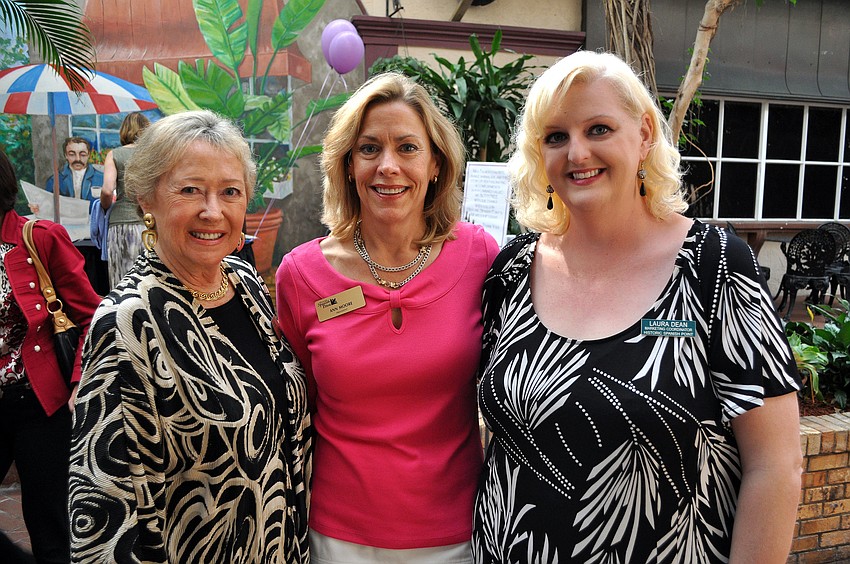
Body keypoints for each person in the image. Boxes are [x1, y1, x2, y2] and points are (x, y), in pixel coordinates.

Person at [472, 50, 803, 563]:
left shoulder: (714, 268)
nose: (577, 153)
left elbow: (776, 467)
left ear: (645, 133)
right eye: (556, 136)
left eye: (598, 129)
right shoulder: (511, 272)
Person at [68, 110, 311, 563]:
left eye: (230, 192)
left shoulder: (244, 282)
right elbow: (104, 515)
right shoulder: (126, 322)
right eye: (189, 190)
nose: (213, 211)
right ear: (146, 199)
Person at [276, 72, 499, 563]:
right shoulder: (300, 274)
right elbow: (297, 407)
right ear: (348, 164)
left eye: (408, 148)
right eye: (370, 149)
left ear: (436, 164)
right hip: (337, 536)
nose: (388, 167)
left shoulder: (480, 257)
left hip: (456, 534)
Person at [0, 148, 100, 563]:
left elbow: (93, 315)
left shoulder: (37, 238)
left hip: (37, 403)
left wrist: (79, 381)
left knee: (51, 530)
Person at [96, 112, 151, 288]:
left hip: (119, 224)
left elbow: (106, 190)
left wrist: (105, 207)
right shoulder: (153, 156)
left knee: (121, 280)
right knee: (148, 278)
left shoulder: (115, 155)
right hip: (149, 224)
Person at [44, 137, 103, 203]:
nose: (78, 159)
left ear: (88, 155)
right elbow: (47, 203)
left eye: (82, 155)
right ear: (66, 155)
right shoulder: (54, 180)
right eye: (72, 154)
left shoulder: (101, 178)